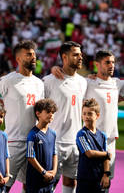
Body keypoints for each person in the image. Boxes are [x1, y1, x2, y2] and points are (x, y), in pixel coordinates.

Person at [52, 50, 124, 190]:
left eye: (113, 62)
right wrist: (55, 68)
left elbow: (117, 98)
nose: (112, 65)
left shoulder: (117, 84)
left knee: (105, 181)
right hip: (89, 139)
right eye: (107, 62)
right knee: (85, 180)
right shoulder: (87, 83)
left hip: (109, 140)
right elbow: (69, 80)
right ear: (97, 64)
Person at [0, 40, 44, 192]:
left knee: (30, 185)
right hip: (13, 141)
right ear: (18, 59)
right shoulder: (8, 80)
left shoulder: (39, 83)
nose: (33, 57)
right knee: (3, 184)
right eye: (28, 55)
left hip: (33, 141)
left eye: (34, 54)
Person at [43, 41, 87, 193]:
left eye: (80, 54)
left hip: (75, 142)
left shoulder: (84, 82)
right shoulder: (49, 81)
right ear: (64, 57)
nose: (80, 57)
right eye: (76, 55)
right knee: (49, 182)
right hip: (55, 142)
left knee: (71, 182)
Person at [76, 98, 111, 193]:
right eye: (84, 113)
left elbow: (106, 158)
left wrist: (106, 174)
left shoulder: (102, 135)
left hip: (99, 178)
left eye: (90, 113)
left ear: (97, 116)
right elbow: (89, 153)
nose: (86, 116)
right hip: (85, 179)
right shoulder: (81, 134)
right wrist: (106, 154)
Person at [26, 98, 58, 193]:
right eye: (48, 112)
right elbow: (30, 156)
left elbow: (54, 153)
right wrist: (43, 172)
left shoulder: (53, 134)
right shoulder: (33, 134)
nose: (51, 114)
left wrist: (54, 171)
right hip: (36, 182)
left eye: (53, 112)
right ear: (38, 113)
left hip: (49, 181)